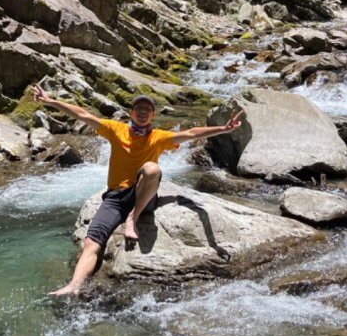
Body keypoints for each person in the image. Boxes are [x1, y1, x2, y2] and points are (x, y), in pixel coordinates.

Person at [31, 83, 243, 296]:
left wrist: (222, 129)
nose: (142, 113)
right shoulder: (116, 130)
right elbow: (84, 115)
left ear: (152, 115)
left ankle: (133, 219)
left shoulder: (159, 137)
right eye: (138, 109)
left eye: (147, 110)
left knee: (152, 169)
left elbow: (191, 134)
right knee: (91, 241)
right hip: (115, 196)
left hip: (143, 195)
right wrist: (51, 101)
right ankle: (74, 286)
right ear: (131, 113)